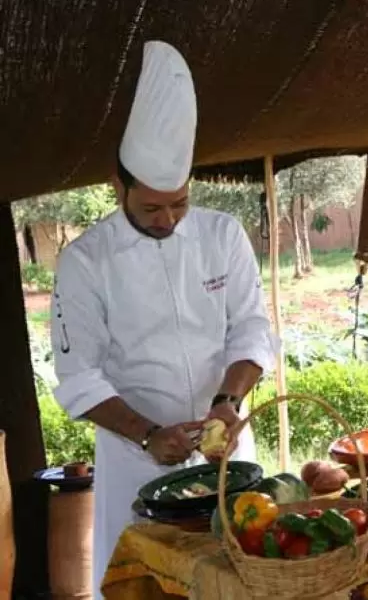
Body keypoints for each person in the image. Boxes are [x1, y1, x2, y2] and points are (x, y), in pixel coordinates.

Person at [51, 41, 279, 596]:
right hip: (137, 464)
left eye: (179, 203)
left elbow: (250, 329)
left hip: (226, 460)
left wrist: (228, 402)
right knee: (146, 589)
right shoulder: (86, 261)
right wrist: (149, 434)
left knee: (239, 581)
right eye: (152, 207)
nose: (168, 219)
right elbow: (79, 376)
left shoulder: (221, 236)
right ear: (117, 185)